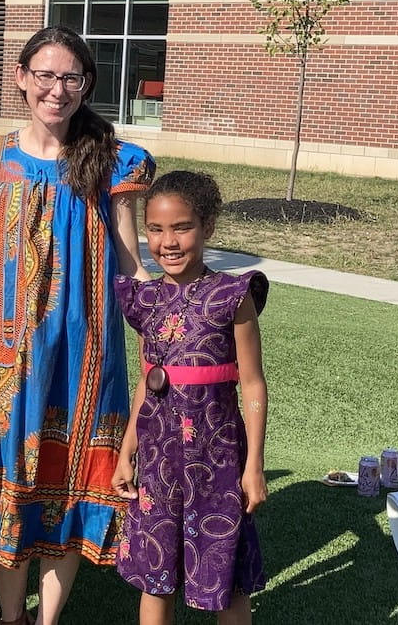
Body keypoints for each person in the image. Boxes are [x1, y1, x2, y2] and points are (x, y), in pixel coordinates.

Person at [0, 25, 156, 625]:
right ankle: (10, 615)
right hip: (6, 353)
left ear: (86, 85)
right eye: (44, 75)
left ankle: (46, 620)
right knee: (11, 479)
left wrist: (176, 321)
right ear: (21, 77)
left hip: (87, 353)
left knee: (71, 478)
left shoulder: (117, 162)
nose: (57, 88)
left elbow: (129, 259)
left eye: (70, 77)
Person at [111, 170, 269, 625]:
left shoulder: (232, 296)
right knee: (155, 574)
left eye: (182, 227)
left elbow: (254, 382)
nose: (169, 241)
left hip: (219, 457)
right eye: (156, 230)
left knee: (227, 573)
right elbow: (148, 377)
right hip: (159, 458)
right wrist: (127, 453)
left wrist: (254, 466)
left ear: (207, 228)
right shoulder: (145, 300)